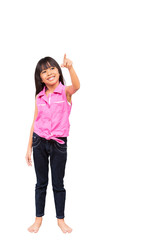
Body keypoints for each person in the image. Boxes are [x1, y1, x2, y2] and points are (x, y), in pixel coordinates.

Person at [25, 54, 80, 234]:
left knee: (58, 183)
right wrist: (28, 148)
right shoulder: (39, 96)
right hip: (39, 142)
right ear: (39, 77)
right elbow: (35, 121)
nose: (49, 72)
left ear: (58, 71)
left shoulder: (65, 92)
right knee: (40, 183)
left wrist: (70, 68)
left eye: (52, 68)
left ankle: (61, 220)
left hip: (58, 143)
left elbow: (77, 87)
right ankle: (38, 219)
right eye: (44, 71)